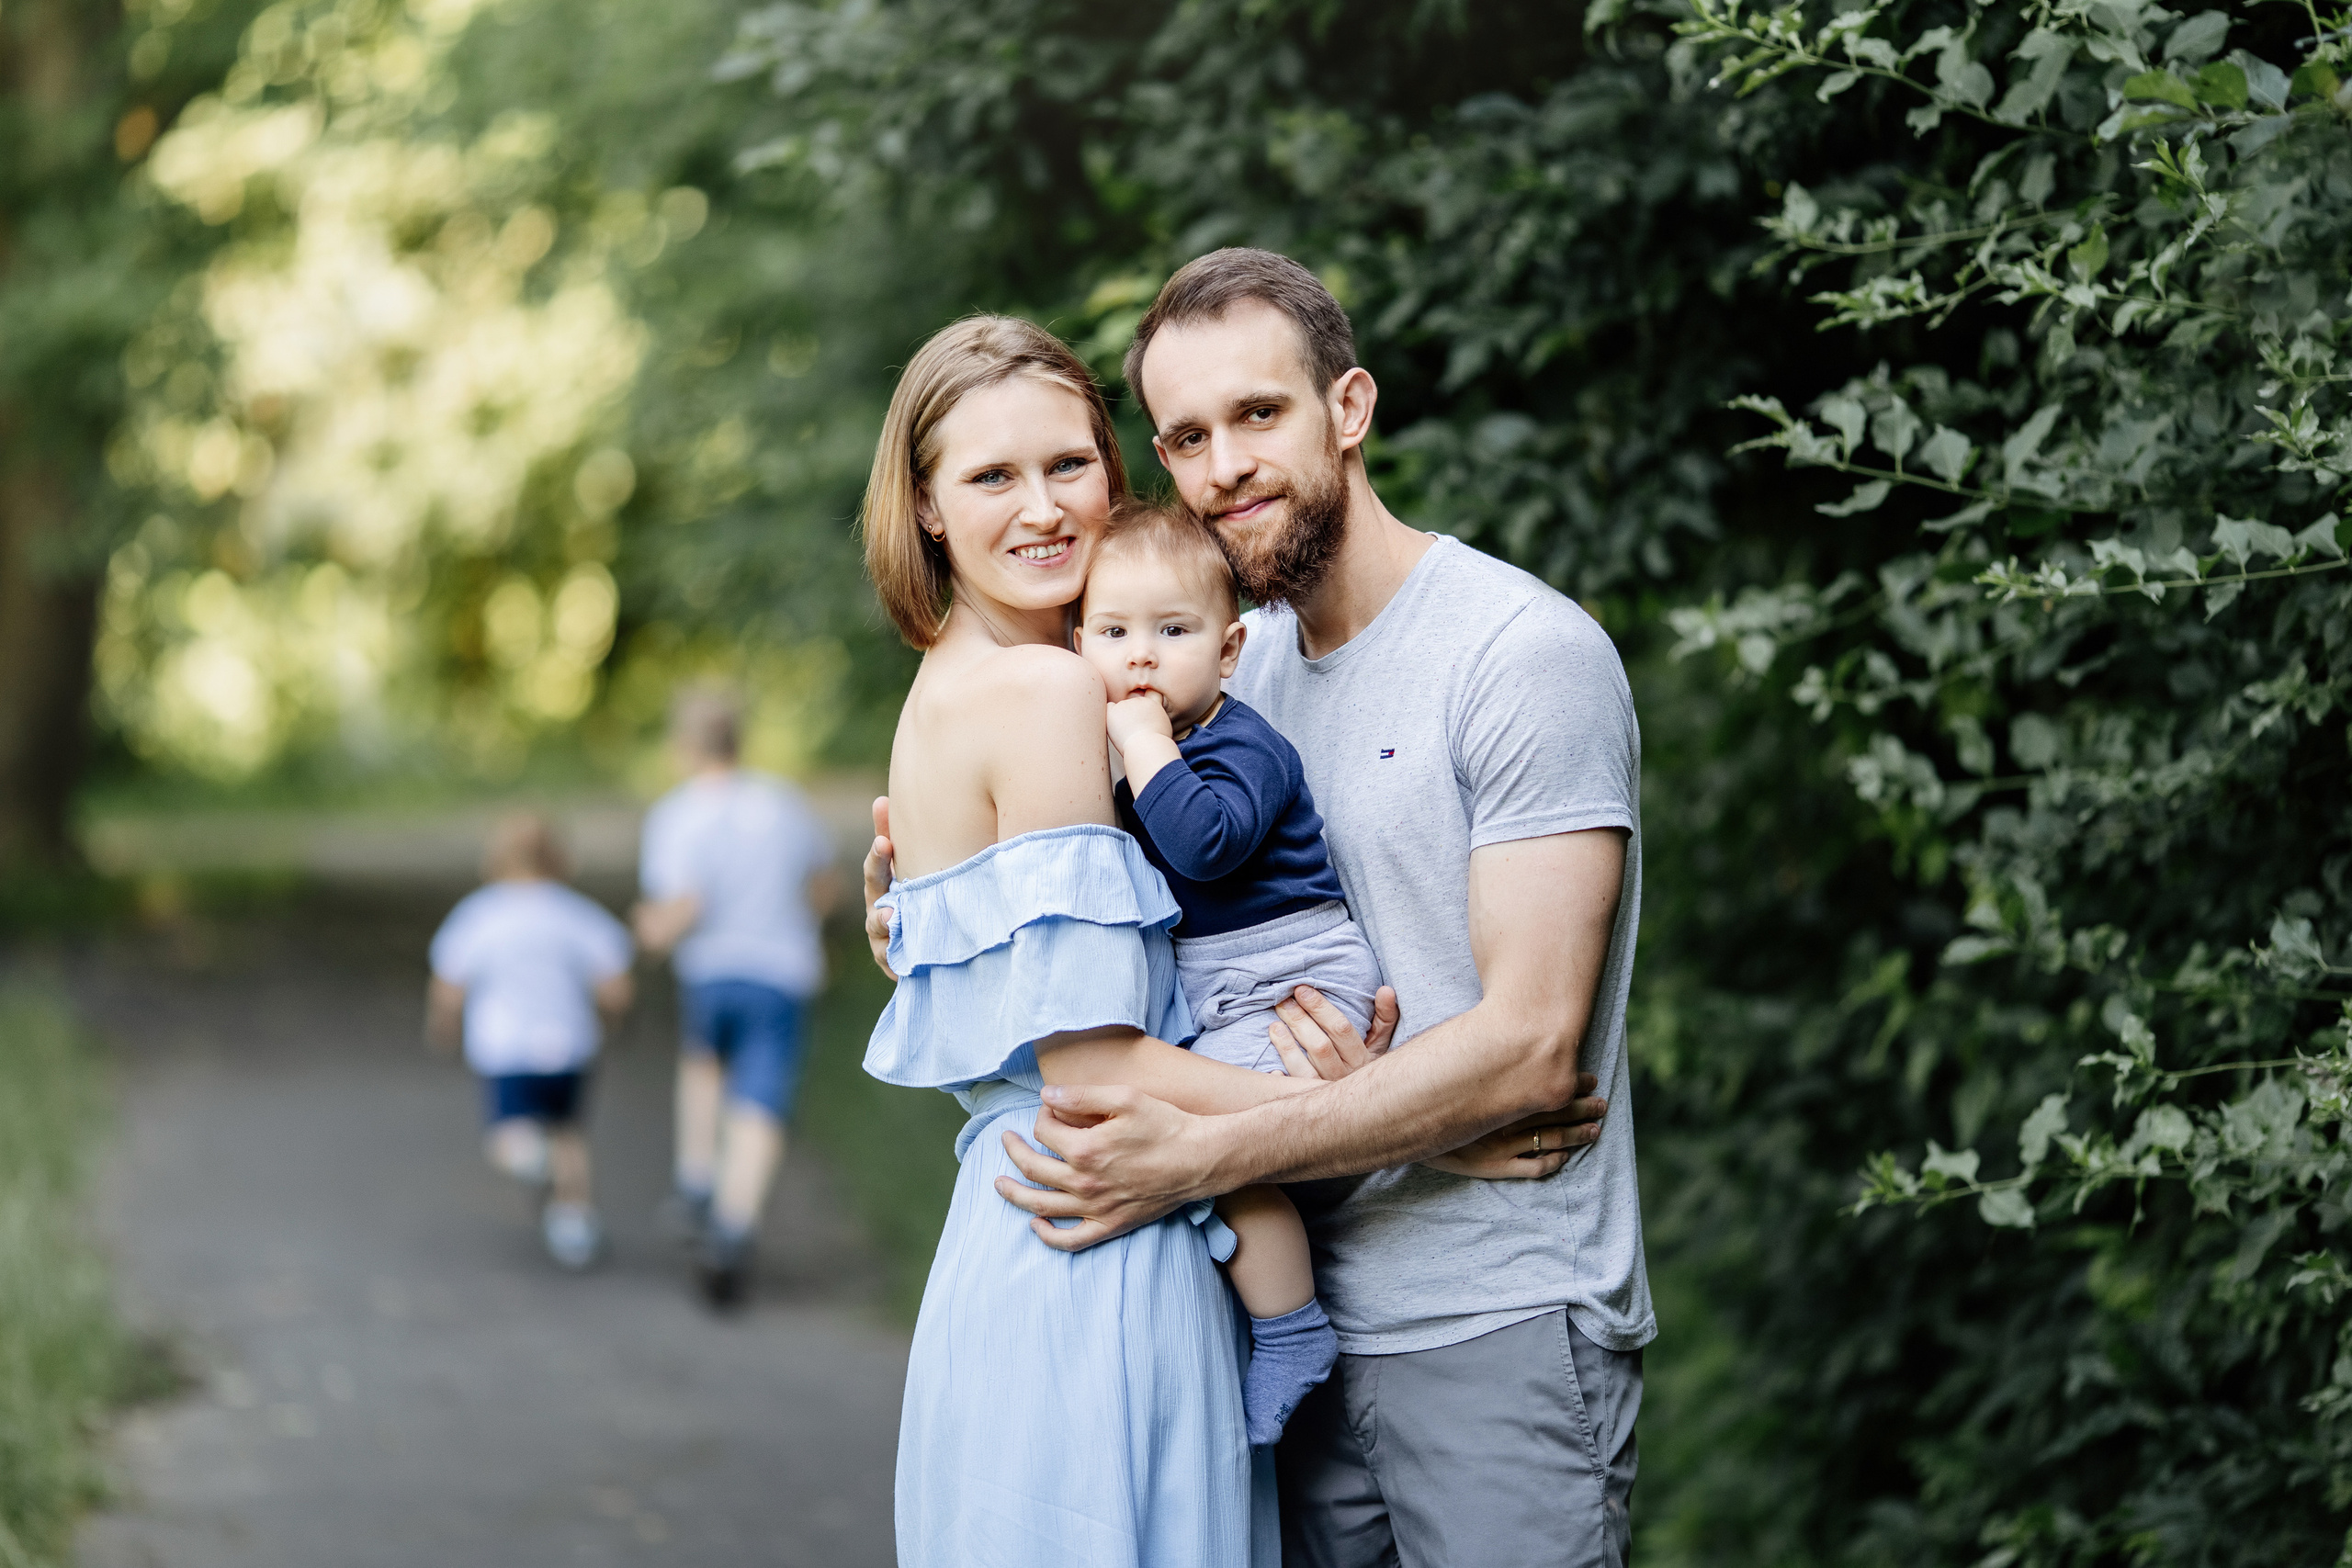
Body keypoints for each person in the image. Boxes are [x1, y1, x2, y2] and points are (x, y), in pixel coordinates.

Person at [865, 249, 1638, 1568]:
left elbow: (1527, 1051)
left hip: (1482, 1313)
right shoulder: (1210, 658)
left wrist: (1304, 1142)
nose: (1224, 464)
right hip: (1271, 1302)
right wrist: (913, 909)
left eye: (1258, 415)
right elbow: (1058, 946)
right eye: (1185, 436)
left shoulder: (1519, 653)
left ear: (1347, 407)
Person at [860, 313, 1413, 1566]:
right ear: (929, 508)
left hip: (1028, 1237)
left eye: (1069, 463)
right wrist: (1401, 1105)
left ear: (1116, 473)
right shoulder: (1051, 689)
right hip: (1100, 1237)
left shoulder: (987, 676)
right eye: (992, 476)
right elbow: (1095, 1069)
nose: (1045, 506)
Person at [1075, 495, 1391, 1444]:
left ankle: (1291, 1328)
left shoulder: (1240, 743)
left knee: (1219, 1142)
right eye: (1112, 631)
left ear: (1226, 651)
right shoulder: (1130, 749)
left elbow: (1206, 845)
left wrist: (1141, 748)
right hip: (1223, 983)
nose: (1139, 655)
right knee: (1203, 1140)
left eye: (1171, 631)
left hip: (1293, 973)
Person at [633, 688, 839, 1308]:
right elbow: (824, 884)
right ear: (738, 739)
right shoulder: (783, 802)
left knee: (704, 1062)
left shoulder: (678, 814)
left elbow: (684, 904)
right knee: (760, 1101)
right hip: (780, 971)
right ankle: (734, 1223)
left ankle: (696, 1176)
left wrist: (647, 931)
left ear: (684, 746)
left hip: (712, 969)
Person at [426, 811, 633, 1271]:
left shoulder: (481, 914)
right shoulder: (575, 912)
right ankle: (575, 1220)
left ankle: (528, 1156)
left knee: (508, 1135)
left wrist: (444, 1023)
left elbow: (449, 982)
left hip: (507, 1047)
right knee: (569, 1135)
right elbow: (615, 980)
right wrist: (613, 1016)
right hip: (569, 1044)